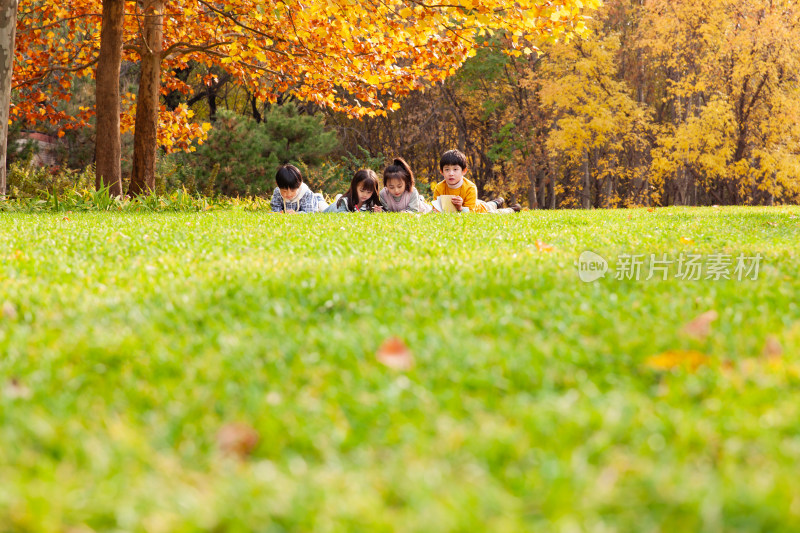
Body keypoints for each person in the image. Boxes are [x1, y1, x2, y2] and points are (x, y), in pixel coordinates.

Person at [432, 149, 516, 213]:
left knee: (493, 212)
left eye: (455, 169)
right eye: (447, 169)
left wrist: (460, 208)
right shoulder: (439, 187)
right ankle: (497, 202)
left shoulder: (470, 187)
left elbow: (471, 213)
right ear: (441, 172)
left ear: (464, 171)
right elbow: (436, 210)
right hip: (474, 202)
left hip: (478, 209)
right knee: (490, 204)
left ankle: (512, 209)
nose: (451, 173)